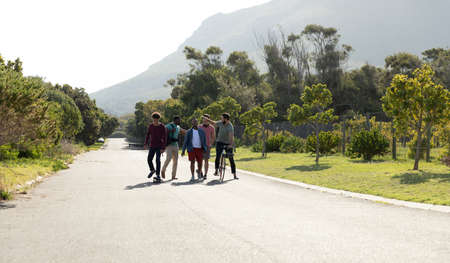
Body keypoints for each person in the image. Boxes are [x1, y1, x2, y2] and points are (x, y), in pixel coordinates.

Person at [205, 113, 238, 179]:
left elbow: (231, 137)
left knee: (231, 158)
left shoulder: (230, 126)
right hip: (220, 141)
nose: (221, 119)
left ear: (226, 119)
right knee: (218, 156)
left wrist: (231, 145)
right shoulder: (221, 123)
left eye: (222, 118)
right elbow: (214, 123)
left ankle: (234, 174)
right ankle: (216, 170)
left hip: (228, 143)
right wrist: (207, 119)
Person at [144, 112, 166, 182]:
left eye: (156, 119)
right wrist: (145, 143)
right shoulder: (151, 126)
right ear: (152, 119)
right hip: (152, 145)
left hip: (159, 146)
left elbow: (165, 137)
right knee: (149, 159)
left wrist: (163, 148)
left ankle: (158, 174)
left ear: (158, 119)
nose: (155, 121)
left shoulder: (162, 126)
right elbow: (148, 135)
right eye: (154, 119)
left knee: (157, 160)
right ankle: (152, 170)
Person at [161, 116, 185, 180]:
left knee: (175, 161)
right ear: (175, 120)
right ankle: (163, 170)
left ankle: (173, 176)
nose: (180, 121)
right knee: (169, 158)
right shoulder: (169, 126)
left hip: (176, 145)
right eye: (179, 120)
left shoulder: (178, 127)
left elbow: (184, 131)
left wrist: (194, 128)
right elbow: (163, 132)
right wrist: (171, 130)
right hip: (169, 145)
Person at [198, 114, 215, 179]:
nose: (205, 120)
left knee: (206, 160)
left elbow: (213, 137)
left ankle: (205, 174)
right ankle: (200, 171)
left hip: (207, 146)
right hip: (199, 146)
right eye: (204, 119)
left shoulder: (212, 128)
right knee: (200, 160)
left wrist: (211, 144)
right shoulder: (199, 127)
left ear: (208, 120)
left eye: (206, 119)